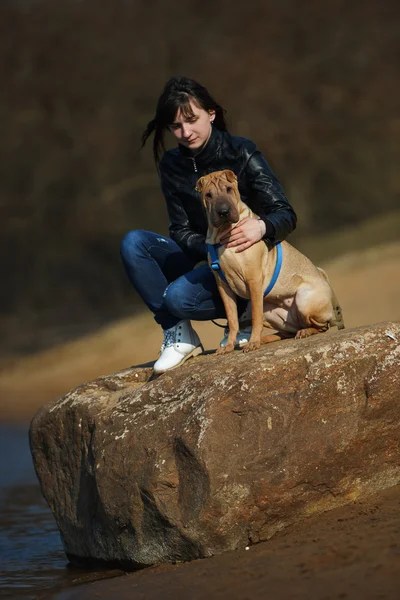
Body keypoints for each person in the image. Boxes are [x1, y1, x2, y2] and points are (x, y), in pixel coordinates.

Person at [120, 76, 297, 374]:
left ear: (211, 113)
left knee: (177, 297)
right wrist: (213, 248)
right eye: (176, 126)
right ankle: (178, 334)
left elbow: (285, 213)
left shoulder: (242, 152)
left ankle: (245, 315)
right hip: (205, 256)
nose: (186, 132)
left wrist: (262, 227)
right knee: (133, 243)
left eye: (192, 120)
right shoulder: (172, 165)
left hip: (249, 261)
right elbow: (178, 230)